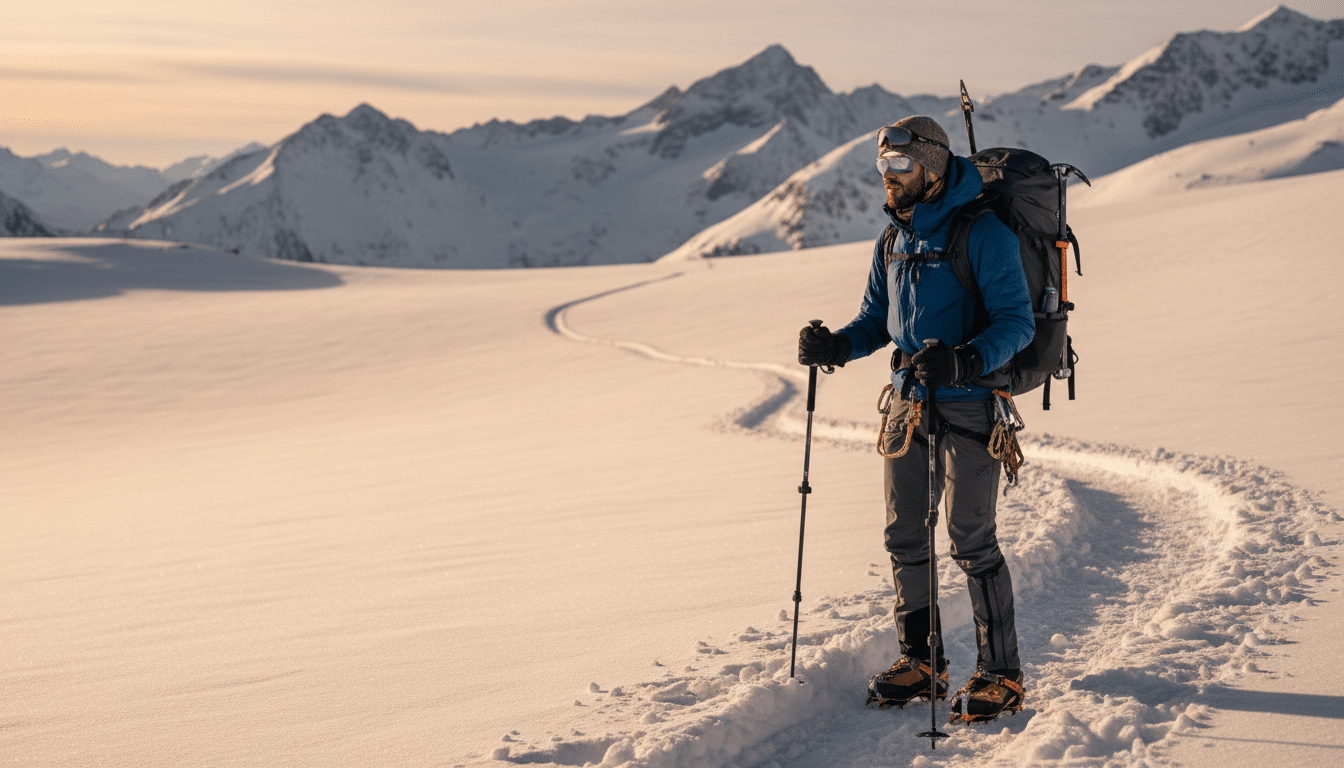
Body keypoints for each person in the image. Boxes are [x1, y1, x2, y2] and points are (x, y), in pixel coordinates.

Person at [797, 115, 1034, 723]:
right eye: (882, 168)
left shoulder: (983, 233)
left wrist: (965, 358)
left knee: (970, 538)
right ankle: (923, 661)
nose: (889, 179)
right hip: (908, 402)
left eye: (900, 167)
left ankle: (1001, 673)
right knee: (905, 534)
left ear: (929, 165)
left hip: (971, 402)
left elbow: (1017, 322)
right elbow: (877, 318)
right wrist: (838, 346)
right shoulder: (893, 238)